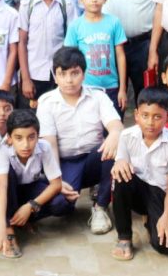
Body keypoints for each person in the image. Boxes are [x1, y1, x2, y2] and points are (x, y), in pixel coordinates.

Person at [37, 46, 122, 235]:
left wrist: (115, 134)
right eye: (63, 74)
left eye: (74, 73)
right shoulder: (47, 102)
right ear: (55, 75)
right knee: (61, 206)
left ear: (83, 73)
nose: (69, 80)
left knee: (114, 147)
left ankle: (100, 207)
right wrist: (56, 180)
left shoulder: (98, 96)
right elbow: (49, 145)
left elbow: (116, 125)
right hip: (65, 163)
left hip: (94, 159)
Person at [110, 87, 168, 261]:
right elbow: (121, 162)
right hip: (135, 189)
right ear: (136, 115)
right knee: (120, 176)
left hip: (160, 194)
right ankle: (124, 238)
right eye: (145, 116)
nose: (150, 122)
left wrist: (166, 215)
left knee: (167, 247)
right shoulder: (127, 136)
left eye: (157, 117)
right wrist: (119, 162)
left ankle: (151, 221)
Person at [0, 109, 70, 260]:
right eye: (18, 138)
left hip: (30, 190)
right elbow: (2, 188)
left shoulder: (44, 147)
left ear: (38, 136)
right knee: (7, 176)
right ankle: (9, 228)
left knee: (62, 203)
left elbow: (56, 184)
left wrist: (30, 206)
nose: (26, 144)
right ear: (9, 138)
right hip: (9, 191)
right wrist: (0, 224)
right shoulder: (3, 151)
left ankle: (26, 218)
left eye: (31, 137)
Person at [64, 0, 128, 117]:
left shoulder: (114, 22)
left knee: (113, 127)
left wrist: (122, 88)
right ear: (81, 0)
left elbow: (120, 55)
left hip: (111, 87)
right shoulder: (76, 26)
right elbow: (70, 58)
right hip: (86, 87)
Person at [17, 0, 77, 108]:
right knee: (29, 119)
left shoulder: (67, 6)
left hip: (58, 74)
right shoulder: (27, 7)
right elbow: (22, 43)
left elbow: (71, 43)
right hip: (33, 73)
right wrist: (25, 79)